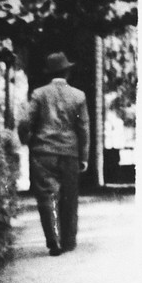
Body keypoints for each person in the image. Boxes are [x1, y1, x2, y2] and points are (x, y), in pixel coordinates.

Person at [20, 51, 91, 256]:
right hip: (69, 153)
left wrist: (27, 140)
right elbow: (83, 128)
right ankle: (68, 241)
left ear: (49, 73)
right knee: (69, 197)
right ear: (67, 72)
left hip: (43, 153)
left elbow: (25, 122)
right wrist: (84, 157)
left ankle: (54, 242)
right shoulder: (79, 96)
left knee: (47, 196)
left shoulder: (39, 94)